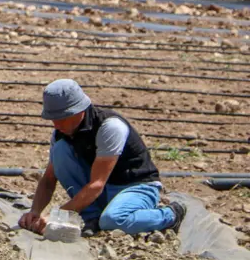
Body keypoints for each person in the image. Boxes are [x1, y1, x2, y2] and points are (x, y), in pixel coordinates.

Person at [19, 79, 186, 237]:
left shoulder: (109, 127)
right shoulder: (61, 134)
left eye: (62, 118)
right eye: (53, 119)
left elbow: (96, 185)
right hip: (103, 190)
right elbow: (49, 179)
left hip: (135, 186)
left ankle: (171, 214)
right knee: (60, 151)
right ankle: (93, 217)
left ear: (80, 110)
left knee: (113, 220)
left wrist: (58, 216)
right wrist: (35, 212)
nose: (56, 125)